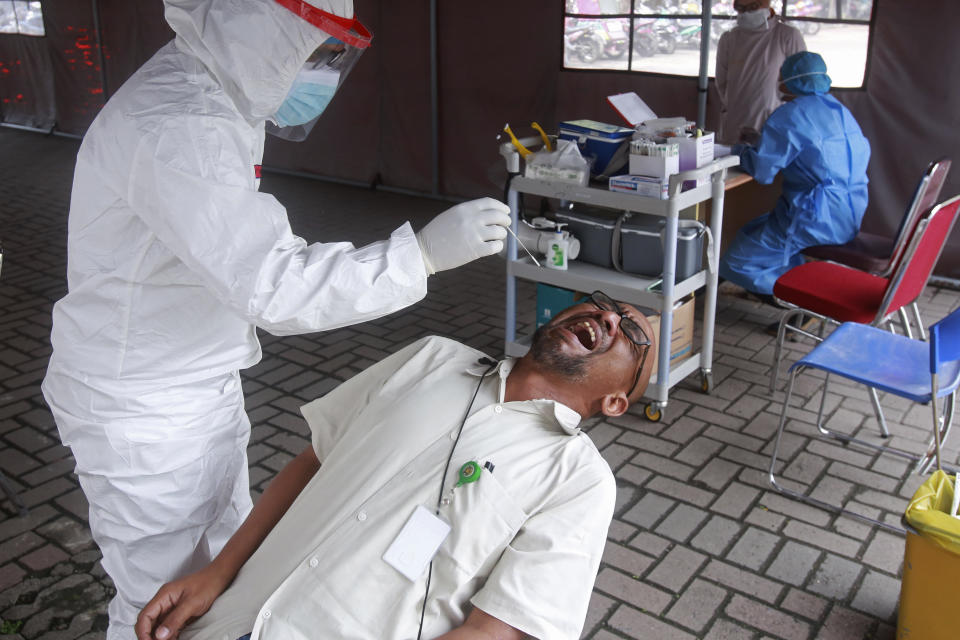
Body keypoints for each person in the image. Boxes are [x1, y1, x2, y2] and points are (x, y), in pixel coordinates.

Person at [40, 1, 511, 637]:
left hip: (191, 383)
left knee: (220, 574)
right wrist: (419, 256)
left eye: (330, 55)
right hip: (142, 408)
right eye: (312, 51)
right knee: (158, 604)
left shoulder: (217, 98)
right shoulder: (181, 124)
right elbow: (272, 283)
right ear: (254, 25)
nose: (320, 73)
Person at [133, 292, 657, 640]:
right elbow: (312, 463)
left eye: (630, 335)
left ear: (615, 401)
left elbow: (496, 632)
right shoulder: (432, 357)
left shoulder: (578, 481)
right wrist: (217, 572)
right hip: (228, 620)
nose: (608, 317)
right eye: (602, 305)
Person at [719, 51, 871, 299]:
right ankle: (802, 279)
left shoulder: (789, 115)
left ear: (791, 79)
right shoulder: (839, 109)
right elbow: (817, 152)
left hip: (813, 218)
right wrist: (764, 142)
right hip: (849, 211)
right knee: (751, 229)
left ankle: (804, 297)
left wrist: (739, 151)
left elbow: (762, 172)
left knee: (735, 261)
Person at [715, 0, 805, 145]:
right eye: (740, 9)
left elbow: (800, 84)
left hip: (773, 124)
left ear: (767, 4)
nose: (746, 13)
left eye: (752, 8)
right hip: (734, 124)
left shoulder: (787, 36)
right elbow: (722, 83)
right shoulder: (729, 38)